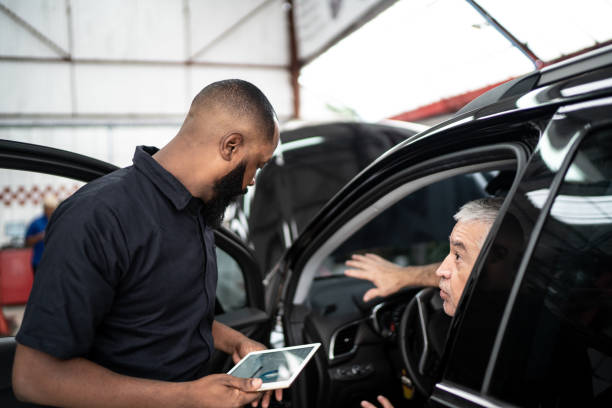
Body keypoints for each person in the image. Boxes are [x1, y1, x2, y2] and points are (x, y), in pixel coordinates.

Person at [12, 79, 282, 408]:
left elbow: (162, 317)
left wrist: (235, 341)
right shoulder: (98, 218)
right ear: (230, 146)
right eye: (257, 164)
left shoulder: (198, 210)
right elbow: (34, 378)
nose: (252, 180)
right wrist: (188, 397)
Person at [351, 197, 503, 408]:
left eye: (458, 255)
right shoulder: (521, 320)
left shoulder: (500, 367)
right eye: (449, 252)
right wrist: (405, 276)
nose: (441, 270)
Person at [24, 193, 59, 274]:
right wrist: (40, 236)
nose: (51, 211)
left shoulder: (59, 220)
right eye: (49, 208)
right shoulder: (36, 222)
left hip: (56, 262)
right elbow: (27, 242)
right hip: (39, 262)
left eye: (53, 208)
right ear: (44, 208)